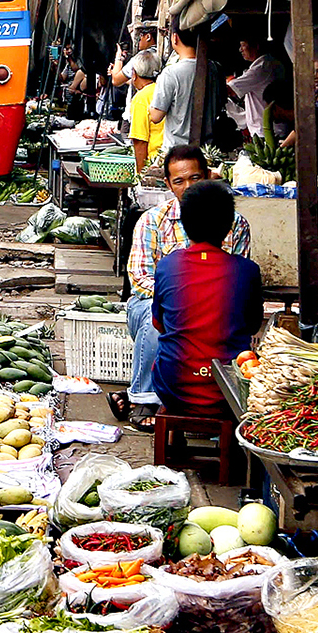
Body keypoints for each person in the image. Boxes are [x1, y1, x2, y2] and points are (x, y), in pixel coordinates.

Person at [112, 145, 252, 432]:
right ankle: (143, 398)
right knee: (159, 325)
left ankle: (199, 393)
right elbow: (139, 278)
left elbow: (239, 284)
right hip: (157, 302)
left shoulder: (236, 224)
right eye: (178, 181)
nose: (187, 187)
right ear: (168, 184)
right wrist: (185, 295)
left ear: (209, 176)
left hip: (210, 305)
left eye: (195, 178)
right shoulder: (152, 220)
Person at [150, 181, 261, 418]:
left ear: (184, 223)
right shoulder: (247, 270)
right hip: (229, 391)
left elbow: (158, 323)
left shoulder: (168, 266)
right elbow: (252, 326)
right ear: (229, 225)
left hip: (174, 388)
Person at [147, 22, 211, 150]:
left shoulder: (171, 73)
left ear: (175, 38)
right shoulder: (215, 69)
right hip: (208, 148)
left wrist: (150, 104)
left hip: (177, 151)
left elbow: (155, 116)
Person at [225, 34, 287, 138]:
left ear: (256, 46)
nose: (240, 50)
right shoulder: (271, 63)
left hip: (268, 132)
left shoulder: (262, 67)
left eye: (243, 45)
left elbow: (230, 90)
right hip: (267, 129)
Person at [124, 50, 164, 170]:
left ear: (134, 74)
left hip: (153, 162)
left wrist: (141, 175)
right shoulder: (162, 90)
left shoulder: (141, 98)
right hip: (168, 157)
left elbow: (140, 141)